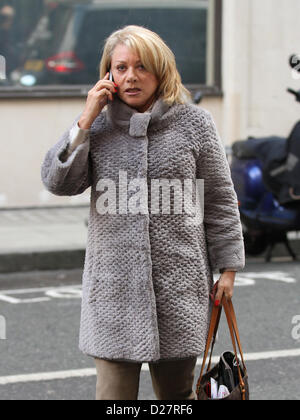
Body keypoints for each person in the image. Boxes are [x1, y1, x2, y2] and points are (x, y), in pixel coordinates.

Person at [41, 25, 245, 400]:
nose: (130, 76)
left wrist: (228, 270)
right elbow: (59, 182)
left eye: (141, 67)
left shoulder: (194, 124)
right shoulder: (97, 126)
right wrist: (85, 120)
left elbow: (218, 199)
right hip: (113, 292)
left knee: (177, 398)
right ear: (108, 74)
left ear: (160, 71)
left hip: (180, 288)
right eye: (120, 68)